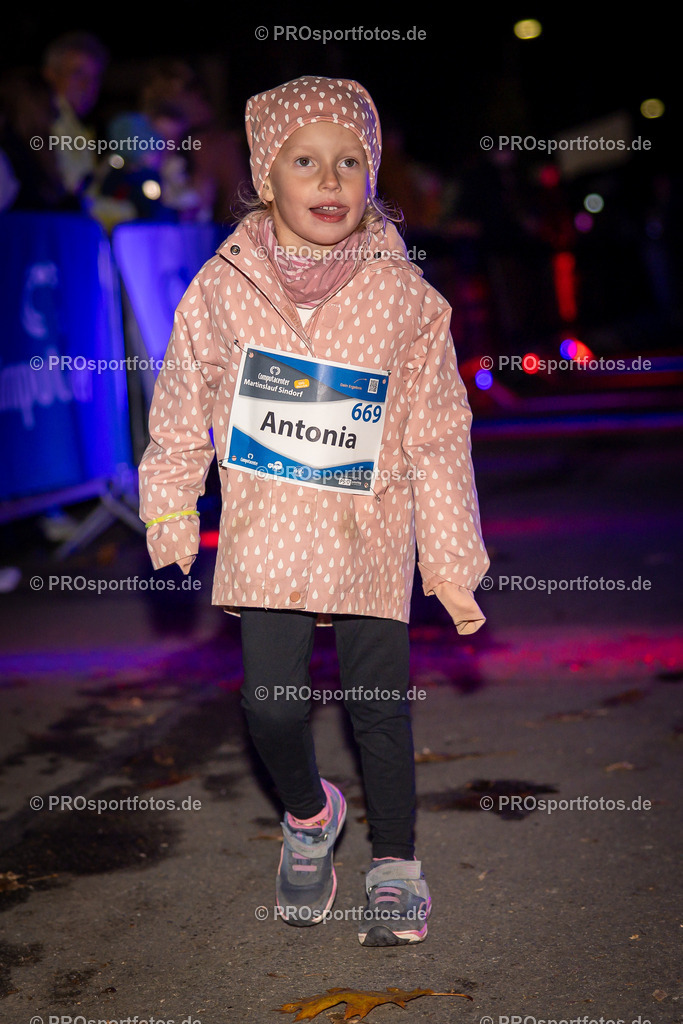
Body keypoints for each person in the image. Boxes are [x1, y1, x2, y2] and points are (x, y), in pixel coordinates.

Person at [138, 76, 489, 946]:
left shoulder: (405, 298)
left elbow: (439, 435)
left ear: (372, 176)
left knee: (379, 703)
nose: (329, 181)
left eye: (348, 161)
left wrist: (450, 563)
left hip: (372, 527)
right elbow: (183, 401)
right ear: (266, 176)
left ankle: (395, 862)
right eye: (305, 162)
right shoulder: (221, 289)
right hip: (270, 530)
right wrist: (169, 507)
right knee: (269, 705)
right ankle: (307, 816)